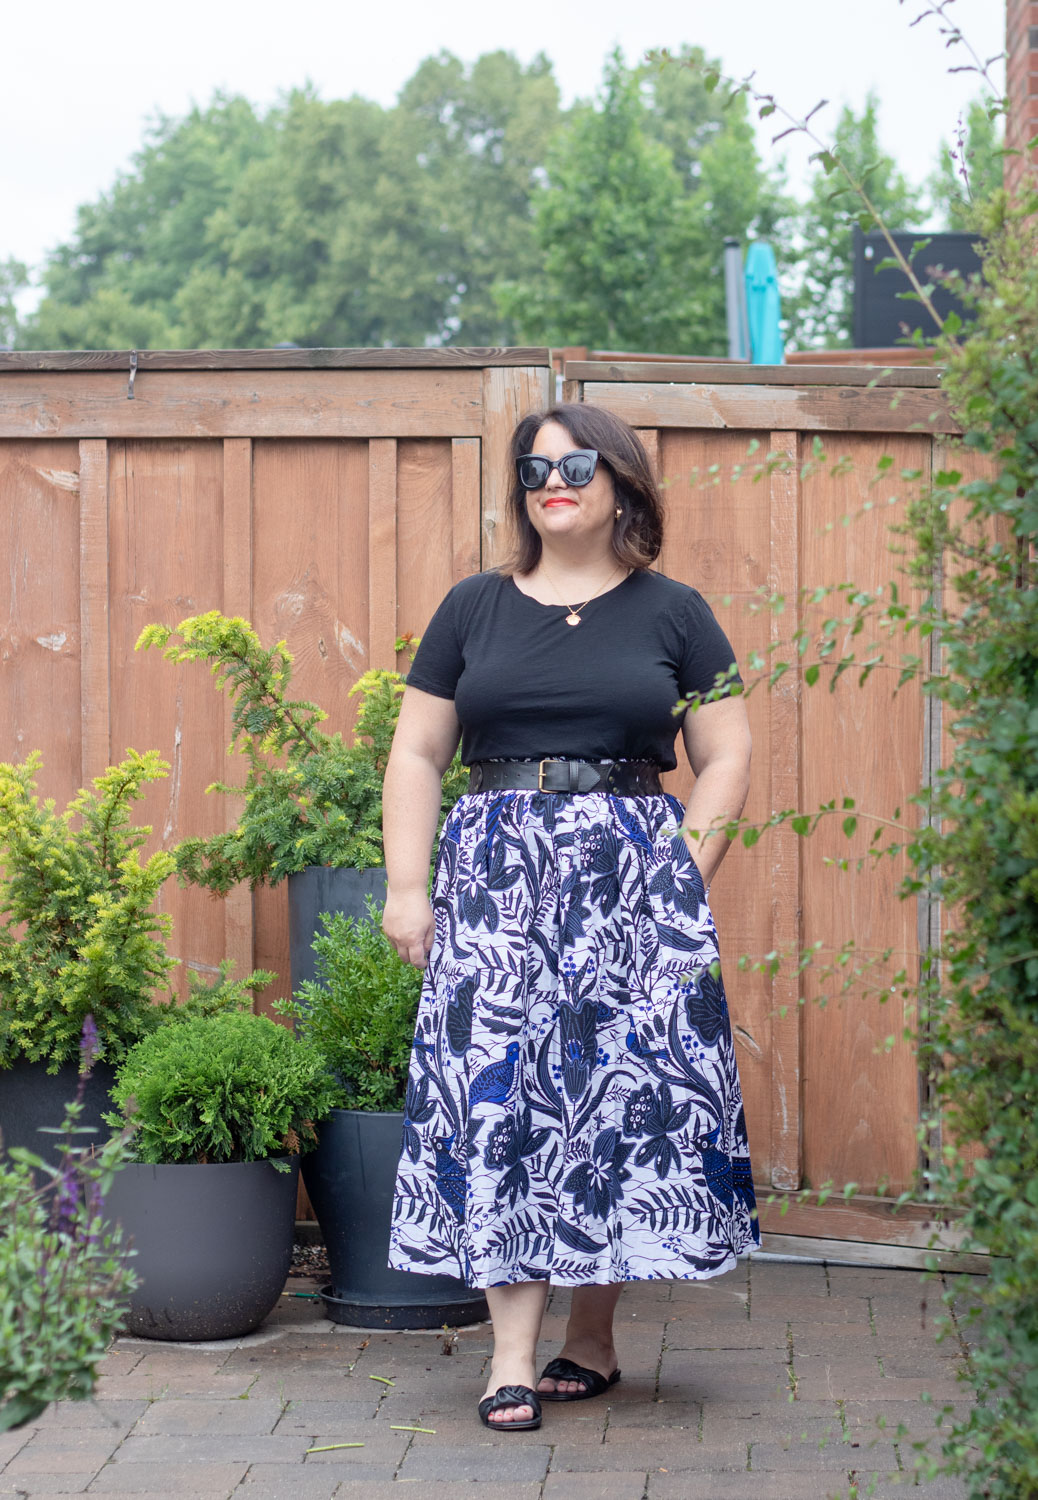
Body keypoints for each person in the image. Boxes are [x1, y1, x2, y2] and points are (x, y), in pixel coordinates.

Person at [381, 403, 759, 1433]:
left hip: (635, 880)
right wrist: (408, 887)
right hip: (499, 881)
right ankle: (508, 1355)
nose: (554, 481)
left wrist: (687, 870)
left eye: (575, 464)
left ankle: (590, 1338)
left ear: (622, 483)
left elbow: (728, 752)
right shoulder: (473, 608)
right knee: (501, 1097)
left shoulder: (676, 612)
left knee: (618, 1100)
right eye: (535, 468)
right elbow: (416, 752)